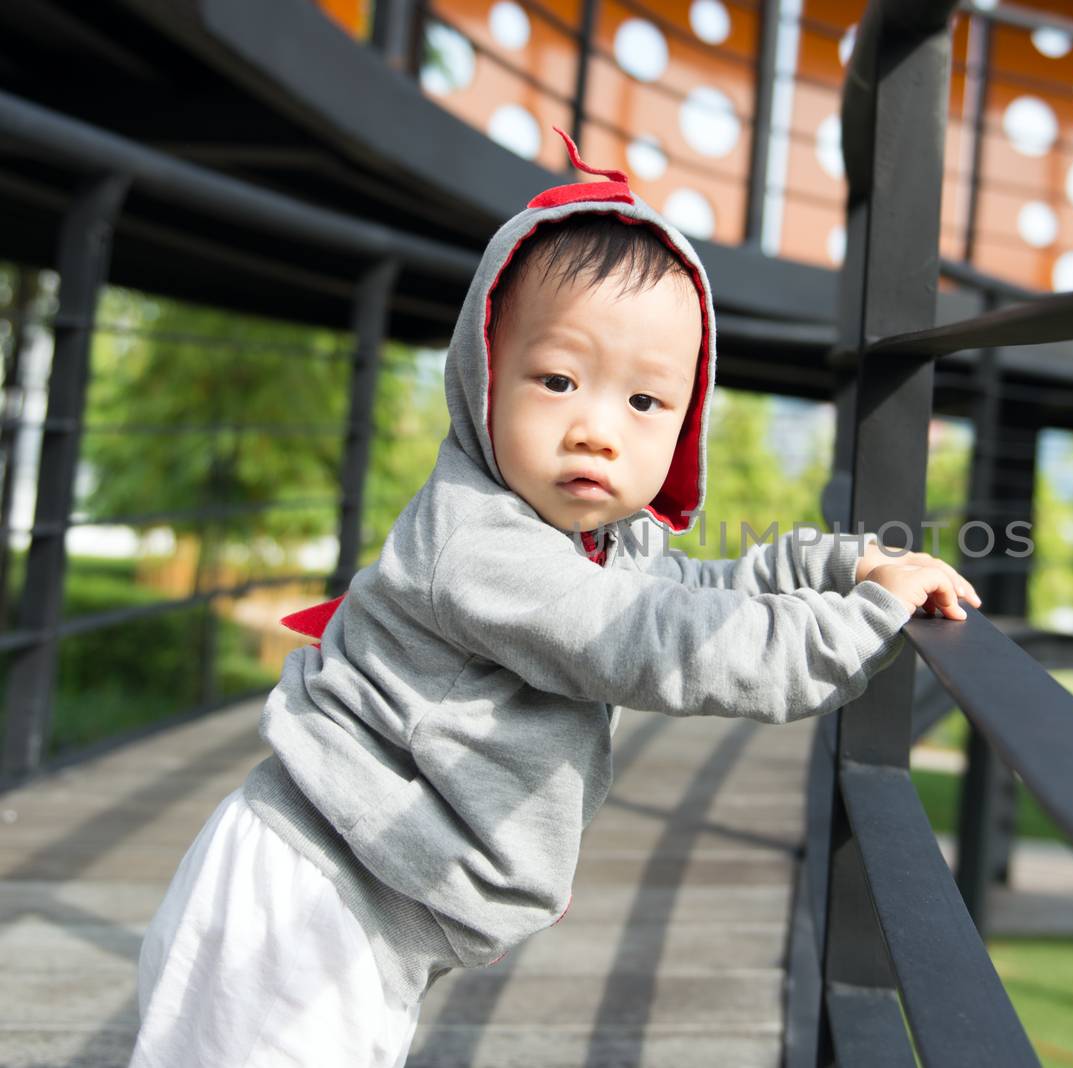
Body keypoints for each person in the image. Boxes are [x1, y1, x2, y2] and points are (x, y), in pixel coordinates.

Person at [129, 128, 978, 1067]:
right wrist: (856, 628)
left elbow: (695, 585)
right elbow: (648, 638)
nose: (596, 431)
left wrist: (842, 569)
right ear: (484, 374)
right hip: (305, 900)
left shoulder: (598, 543)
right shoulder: (480, 542)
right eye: (559, 380)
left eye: (645, 403)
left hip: (377, 897)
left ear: (687, 418)